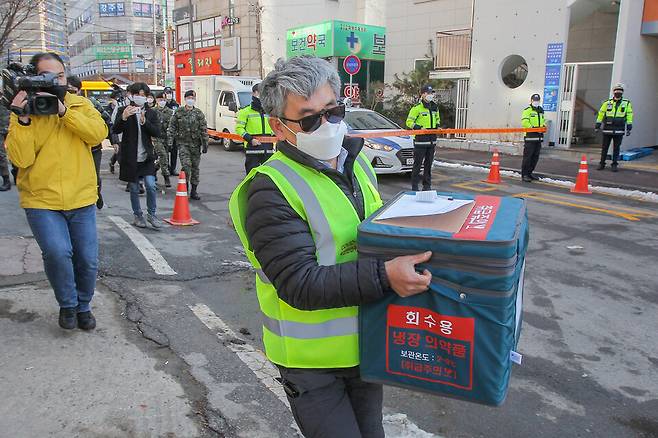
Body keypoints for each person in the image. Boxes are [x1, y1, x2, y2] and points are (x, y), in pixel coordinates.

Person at [229, 56, 433, 438]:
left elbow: (377, 236)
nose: (326, 125)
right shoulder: (270, 188)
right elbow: (299, 283)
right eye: (308, 119)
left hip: (365, 344)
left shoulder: (357, 165)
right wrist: (386, 275)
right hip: (311, 364)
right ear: (279, 127)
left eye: (333, 111)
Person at [6, 52, 107, 330]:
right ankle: (67, 305)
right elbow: (21, 159)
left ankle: (83, 306)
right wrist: (23, 120)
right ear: (34, 79)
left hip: (82, 197)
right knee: (58, 252)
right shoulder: (26, 110)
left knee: (86, 258)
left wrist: (64, 112)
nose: (55, 81)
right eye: (47, 76)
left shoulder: (80, 104)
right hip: (41, 199)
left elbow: (97, 134)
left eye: (59, 76)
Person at [113, 82, 163, 229]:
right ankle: (138, 215)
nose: (140, 98)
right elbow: (115, 129)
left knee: (150, 185)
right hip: (130, 157)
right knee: (134, 188)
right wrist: (123, 117)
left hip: (146, 157)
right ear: (131, 96)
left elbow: (157, 132)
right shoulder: (124, 110)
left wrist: (145, 122)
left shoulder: (151, 113)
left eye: (143, 95)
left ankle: (152, 215)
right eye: (137, 95)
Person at [67, 75, 112, 209]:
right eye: (67, 91)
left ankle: (97, 194)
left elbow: (106, 120)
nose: (71, 94)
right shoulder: (58, 105)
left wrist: (113, 140)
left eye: (73, 91)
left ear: (79, 90)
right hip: (73, 148)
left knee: (95, 175)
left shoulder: (90, 103)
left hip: (93, 148)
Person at [167, 90, 208, 200]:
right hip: (183, 144)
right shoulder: (179, 112)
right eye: (189, 97)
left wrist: (205, 144)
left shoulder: (199, 113)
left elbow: (204, 129)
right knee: (186, 166)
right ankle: (185, 188)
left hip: (195, 145)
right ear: (185, 99)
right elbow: (172, 127)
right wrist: (170, 142)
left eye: (193, 98)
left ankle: (194, 190)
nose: (191, 100)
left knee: (195, 168)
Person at [406, 84, 440, 191]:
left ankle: (427, 186)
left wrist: (438, 126)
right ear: (423, 94)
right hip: (421, 141)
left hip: (432, 141)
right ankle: (415, 186)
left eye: (431, 93)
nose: (430, 95)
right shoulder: (417, 108)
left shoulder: (434, 107)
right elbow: (409, 122)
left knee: (428, 165)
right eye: (428, 93)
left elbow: (437, 119)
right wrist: (418, 127)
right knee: (417, 165)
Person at [236, 83, 275, 174]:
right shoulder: (245, 111)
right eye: (261, 92)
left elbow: (274, 128)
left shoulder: (270, 112)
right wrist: (250, 139)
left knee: (268, 176)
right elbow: (239, 129)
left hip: (268, 150)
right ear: (254, 93)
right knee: (252, 176)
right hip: (252, 149)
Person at [595, 83, 633, 172]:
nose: (618, 93)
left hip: (619, 129)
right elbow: (601, 113)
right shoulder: (607, 103)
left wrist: (629, 126)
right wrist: (598, 124)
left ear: (622, 93)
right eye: (616, 91)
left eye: (620, 91)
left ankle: (614, 164)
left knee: (616, 148)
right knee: (604, 147)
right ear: (613, 92)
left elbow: (629, 114)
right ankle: (602, 163)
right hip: (607, 129)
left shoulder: (626, 103)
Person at [520, 93, 546, 182]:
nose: (536, 102)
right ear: (531, 101)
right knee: (528, 156)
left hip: (538, 137)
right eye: (534, 100)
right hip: (530, 137)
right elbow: (525, 122)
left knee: (535, 157)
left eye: (537, 101)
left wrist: (543, 127)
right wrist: (535, 129)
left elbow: (543, 121)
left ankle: (530, 173)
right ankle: (525, 174)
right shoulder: (527, 110)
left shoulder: (541, 110)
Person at [153, 92, 174, 188]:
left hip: (166, 138)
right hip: (156, 138)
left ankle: (154, 169)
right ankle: (166, 176)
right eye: (160, 100)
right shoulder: (152, 111)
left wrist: (171, 140)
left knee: (163, 157)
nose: (162, 102)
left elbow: (172, 127)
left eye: (164, 100)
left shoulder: (170, 112)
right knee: (163, 155)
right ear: (156, 100)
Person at [106, 89, 123, 174]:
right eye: (115, 99)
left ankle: (112, 162)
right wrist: (114, 141)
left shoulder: (121, 107)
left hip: (122, 133)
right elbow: (110, 126)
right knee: (118, 150)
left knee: (120, 151)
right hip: (113, 133)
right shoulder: (107, 110)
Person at [0, 105, 11, 191]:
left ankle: (16, 174)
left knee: (14, 150)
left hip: (10, 123)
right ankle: (6, 179)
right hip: (3, 123)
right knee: (1, 154)